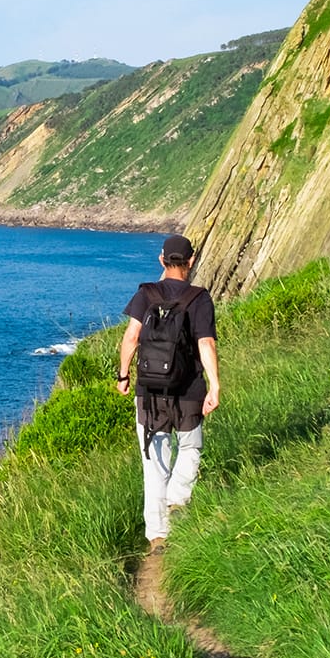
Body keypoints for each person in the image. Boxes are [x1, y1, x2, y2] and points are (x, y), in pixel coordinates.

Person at [115, 234, 220, 554]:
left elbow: (131, 337)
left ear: (162, 261)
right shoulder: (200, 298)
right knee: (190, 447)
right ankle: (177, 498)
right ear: (191, 262)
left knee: (154, 461)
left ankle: (158, 536)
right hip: (188, 390)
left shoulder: (145, 294)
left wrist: (123, 375)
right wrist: (214, 385)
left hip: (149, 392)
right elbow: (206, 344)